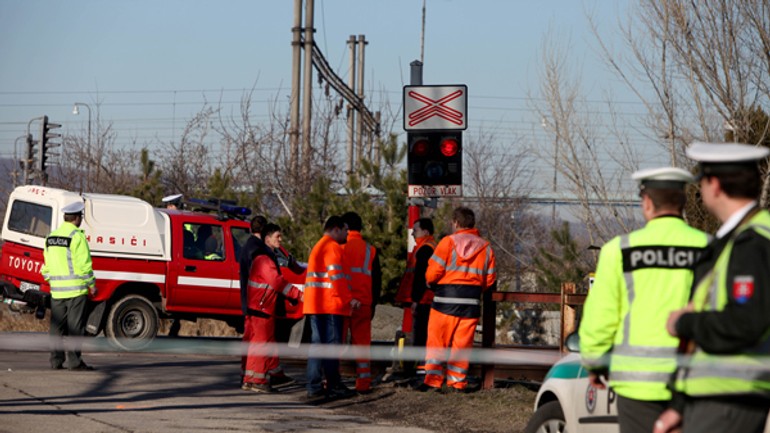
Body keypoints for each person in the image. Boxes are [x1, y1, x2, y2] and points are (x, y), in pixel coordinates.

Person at [578, 167, 709, 433]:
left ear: (647, 203)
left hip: (636, 382)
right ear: (683, 202)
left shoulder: (620, 250)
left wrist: (594, 361)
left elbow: (601, 316)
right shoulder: (710, 247)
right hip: (695, 379)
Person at [654, 142, 770, 433]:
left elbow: (745, 322)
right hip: (716, 393)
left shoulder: (751, 243)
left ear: (715, 185)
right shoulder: (735, 239)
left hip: (730, 394)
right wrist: (679, 406)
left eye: (701, 182)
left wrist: (685, 322)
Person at [417, 207, 496, 392]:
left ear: (455, 222)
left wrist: (430, 281)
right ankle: (457, 383)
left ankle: (433, 381)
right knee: (462, 345)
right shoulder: (486, 248)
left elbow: (433, 272)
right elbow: (490, 279)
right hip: (471, 304)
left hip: (444, 301)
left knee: (437, 343)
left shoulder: (447, 242)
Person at [241, 223, 303, 393]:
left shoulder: (263, 257)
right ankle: (258, 380)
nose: (280, 240)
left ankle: (251, 379)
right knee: (261, 344)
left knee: (257, 344)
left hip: (259, 307)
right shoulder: (265, 259)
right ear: (267, 239)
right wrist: (298, 294)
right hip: (262, 308)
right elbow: (277, 282)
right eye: (278, 237)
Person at [303, 215, 356, 400]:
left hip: (316, 305)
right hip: (329, 304)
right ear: (336, 229)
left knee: (317, 346)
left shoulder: (319, 246)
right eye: (344, 230)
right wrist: (349, 299)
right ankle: (333, 385)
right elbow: (337, 277)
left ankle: (314, 386)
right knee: (331, 347)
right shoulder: (332, 247)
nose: (347, 234)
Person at [41, 201, 96, 371]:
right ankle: (74, 362)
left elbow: (46, 266)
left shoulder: (50, 237)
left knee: (56, 328)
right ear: (77, 218)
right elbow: (84, 264)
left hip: (57, 291)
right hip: (76, 290)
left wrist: (53, 280)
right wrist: (91, 284)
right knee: (75, 327)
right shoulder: (77, 237)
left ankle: (56, 361)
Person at [341, 211, 382, 393]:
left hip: (343, 302)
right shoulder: (370, 250)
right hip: (364, 303)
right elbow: (377, 279)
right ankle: (363, 382)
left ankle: (330, 381)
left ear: (345, 227)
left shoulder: (339, 246)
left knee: (336, 344)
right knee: (363, 344)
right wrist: (373, 304)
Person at [396, 217, 436, 380]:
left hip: (423, 300)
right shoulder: (427, 247)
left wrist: (415, 299)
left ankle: (419, 372)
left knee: (420, 336)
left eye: (416, 230)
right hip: (425, 299)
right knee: (419, 335)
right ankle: (419, 370)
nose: (412, 233)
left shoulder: (425, 249)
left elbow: (420, 277)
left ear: (425, 232)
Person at [237, 215, 267, 383]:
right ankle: (252, 376)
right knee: (255, 340)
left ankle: (245, 373)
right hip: (255, 300)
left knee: (249, 338)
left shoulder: (247, 245)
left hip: (247, 299)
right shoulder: (257, 249)